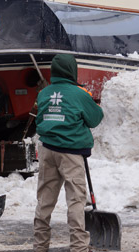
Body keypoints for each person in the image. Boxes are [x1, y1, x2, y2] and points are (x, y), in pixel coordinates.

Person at [33, 54, 104, 252]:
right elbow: (95, 118)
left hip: (47, 150)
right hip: (71, 153)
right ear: (72, 70)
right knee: (75, 200)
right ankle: (79, 247)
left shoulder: (44, 93)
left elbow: (39, 119)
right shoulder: (80, 93)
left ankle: (40, 246)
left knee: (44, 200)